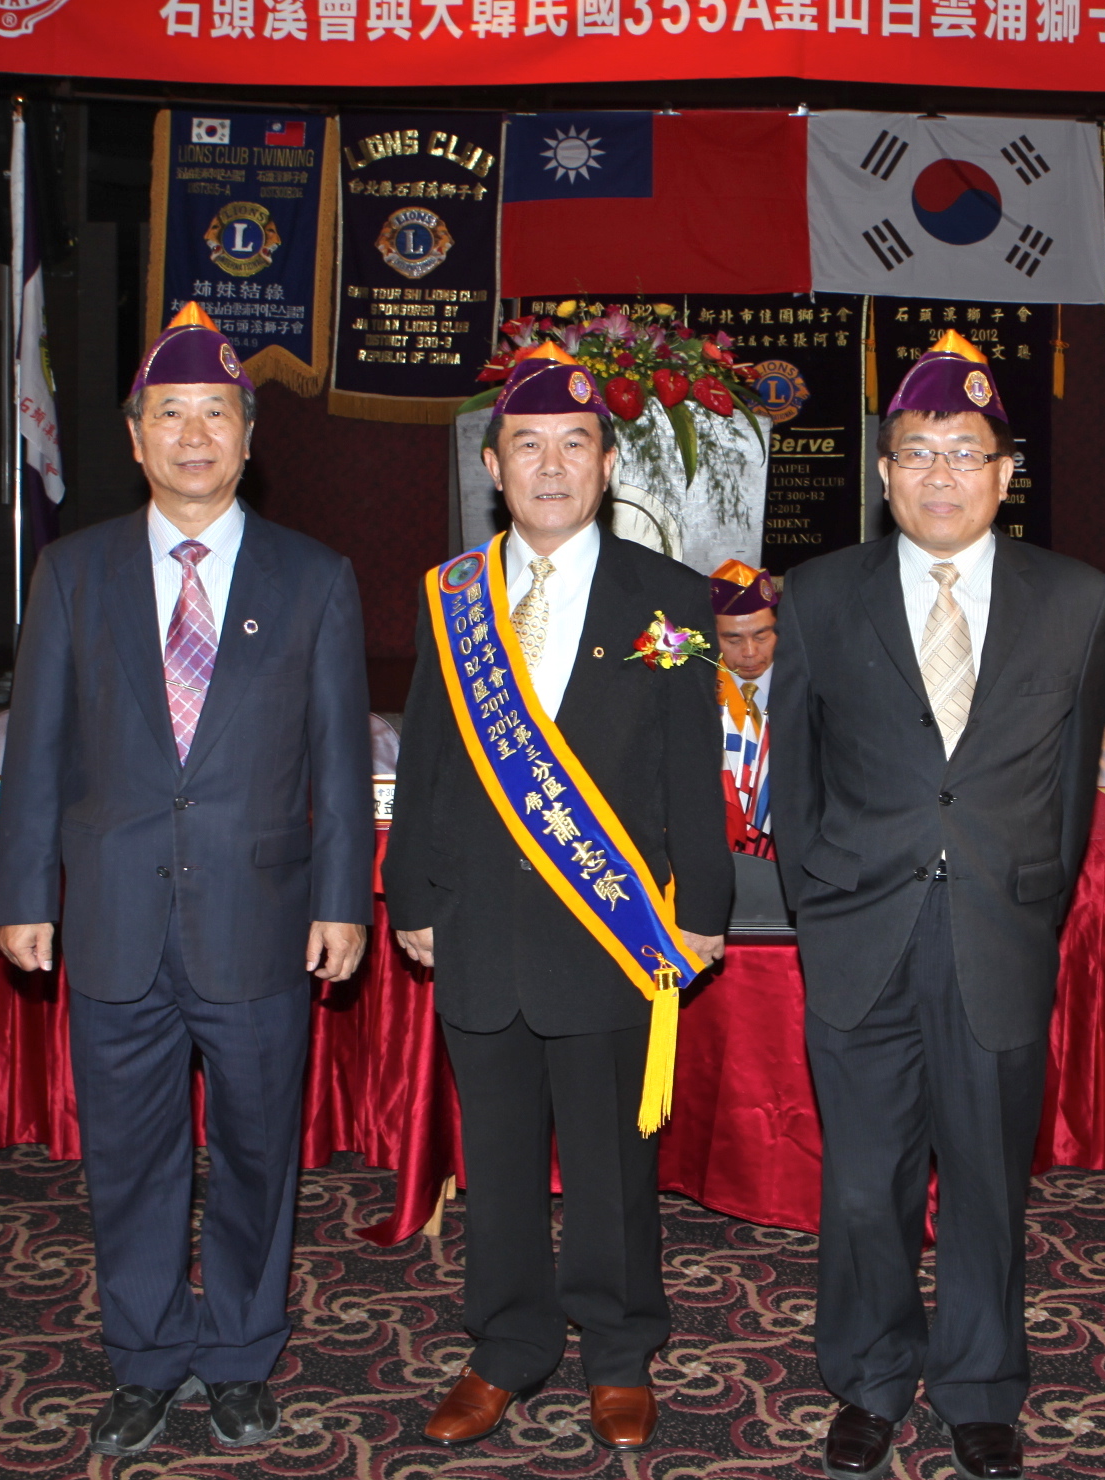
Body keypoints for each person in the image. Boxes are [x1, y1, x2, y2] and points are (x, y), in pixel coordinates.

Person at [0, 301, 372, 1458]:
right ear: (134, 435)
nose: (194, 435)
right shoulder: (73, 571)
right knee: (130, 1161)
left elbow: (340, 761)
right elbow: (37, 751)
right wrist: (23, 892)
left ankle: (242, 1355)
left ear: (249, 437)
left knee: (258, 1154)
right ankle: (147, 1356)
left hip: (260, 921)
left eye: (216, 413)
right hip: (113, 921)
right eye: (171, 414)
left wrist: (343, 898)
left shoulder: (316, 577)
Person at [770, 331, 1105, 1480]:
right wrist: (823, 901)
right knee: (865, 1183)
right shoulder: (820, 594)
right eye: (917, 452)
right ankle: (870, 1376)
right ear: (883, 472)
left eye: (966, 453)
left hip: (998, 933)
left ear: (1005, 473)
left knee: (986, 1179)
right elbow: (795, 777)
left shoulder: (1077, 598)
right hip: (859, 931)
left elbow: (1070, 789)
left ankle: (979, 1385)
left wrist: (1032, 900)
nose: (940, 474)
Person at [385, 343, 732, 1453]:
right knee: (494, 1163)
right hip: (480, 922)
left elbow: (692, 770)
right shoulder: (452, 597)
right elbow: (427, 759)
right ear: (493, 466)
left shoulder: (670, 599)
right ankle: (506, 1345)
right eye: (526, 445)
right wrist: (409, 893)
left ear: (607, 462)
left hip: (610, 930)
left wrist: (704, 908)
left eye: (573, 443)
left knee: (610, 1164)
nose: (549, 465)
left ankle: (619, 1350)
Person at [711, 559, 779, 861]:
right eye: (733, 639)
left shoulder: (809, 689)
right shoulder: (696, 695)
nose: (750, 652)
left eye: (762, 636)